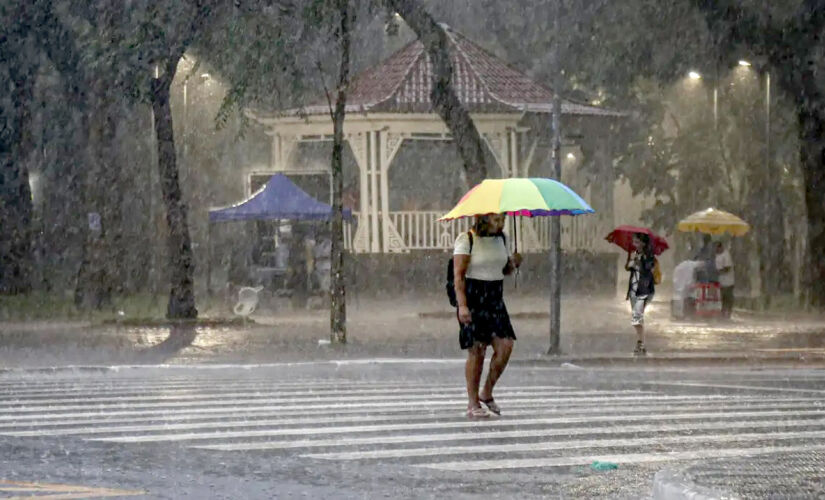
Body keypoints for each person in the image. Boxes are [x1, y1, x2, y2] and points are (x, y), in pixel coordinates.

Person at [453, 214, 522, 419]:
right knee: (477, 350)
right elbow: (458, 275)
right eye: (496, 220)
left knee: (506, 346)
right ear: (483, 219)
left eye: (502, 219)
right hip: (474, 297)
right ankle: (473, 402)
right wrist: (462, 306)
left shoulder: (503, 239)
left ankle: (487, 391)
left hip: (495, 297)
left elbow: (504, 269)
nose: (501, 224)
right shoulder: (467, 239)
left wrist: (513, 263)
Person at [625, 233, 656, 356]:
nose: (635, 244)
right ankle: (640, 343)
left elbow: (649, 270)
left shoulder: (649, 256)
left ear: (643, 243)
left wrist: (640, 263)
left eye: (637, 242)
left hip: (644, 290)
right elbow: (627, 268)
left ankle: (641, 343)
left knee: (637, 316)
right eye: (634, 242)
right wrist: (631, 262)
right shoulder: (634, 254)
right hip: (633, 290)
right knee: (637, 317)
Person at [715, 241, 735, 318]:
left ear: (720, 247)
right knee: (722, 298)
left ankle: (728, 313)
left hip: (728, 282)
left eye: (717, 248)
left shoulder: (726, 255)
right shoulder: (716, 255)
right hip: (720, 282)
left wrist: (718, 272)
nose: (716, 250)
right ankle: (723, 313)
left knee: (728, 298)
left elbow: (727, 268)